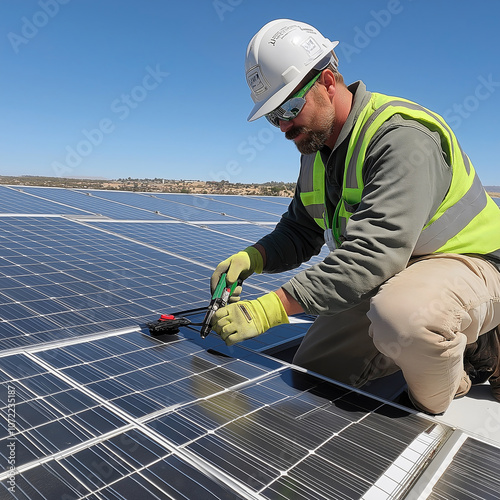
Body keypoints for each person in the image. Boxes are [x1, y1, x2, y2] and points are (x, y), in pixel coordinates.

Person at [210, 19, 500, 415]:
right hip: (395, 272)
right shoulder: (314, 149)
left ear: (329, 82)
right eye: (273, 116)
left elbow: (372, 254)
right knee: (314, 372)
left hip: (470, 263)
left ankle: (480, 351)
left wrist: (270, 309)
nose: (284, 127)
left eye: (290, 107)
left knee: (405, 322)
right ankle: (438, 345)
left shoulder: (400, 137)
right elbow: (300, 229)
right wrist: (252, 258)